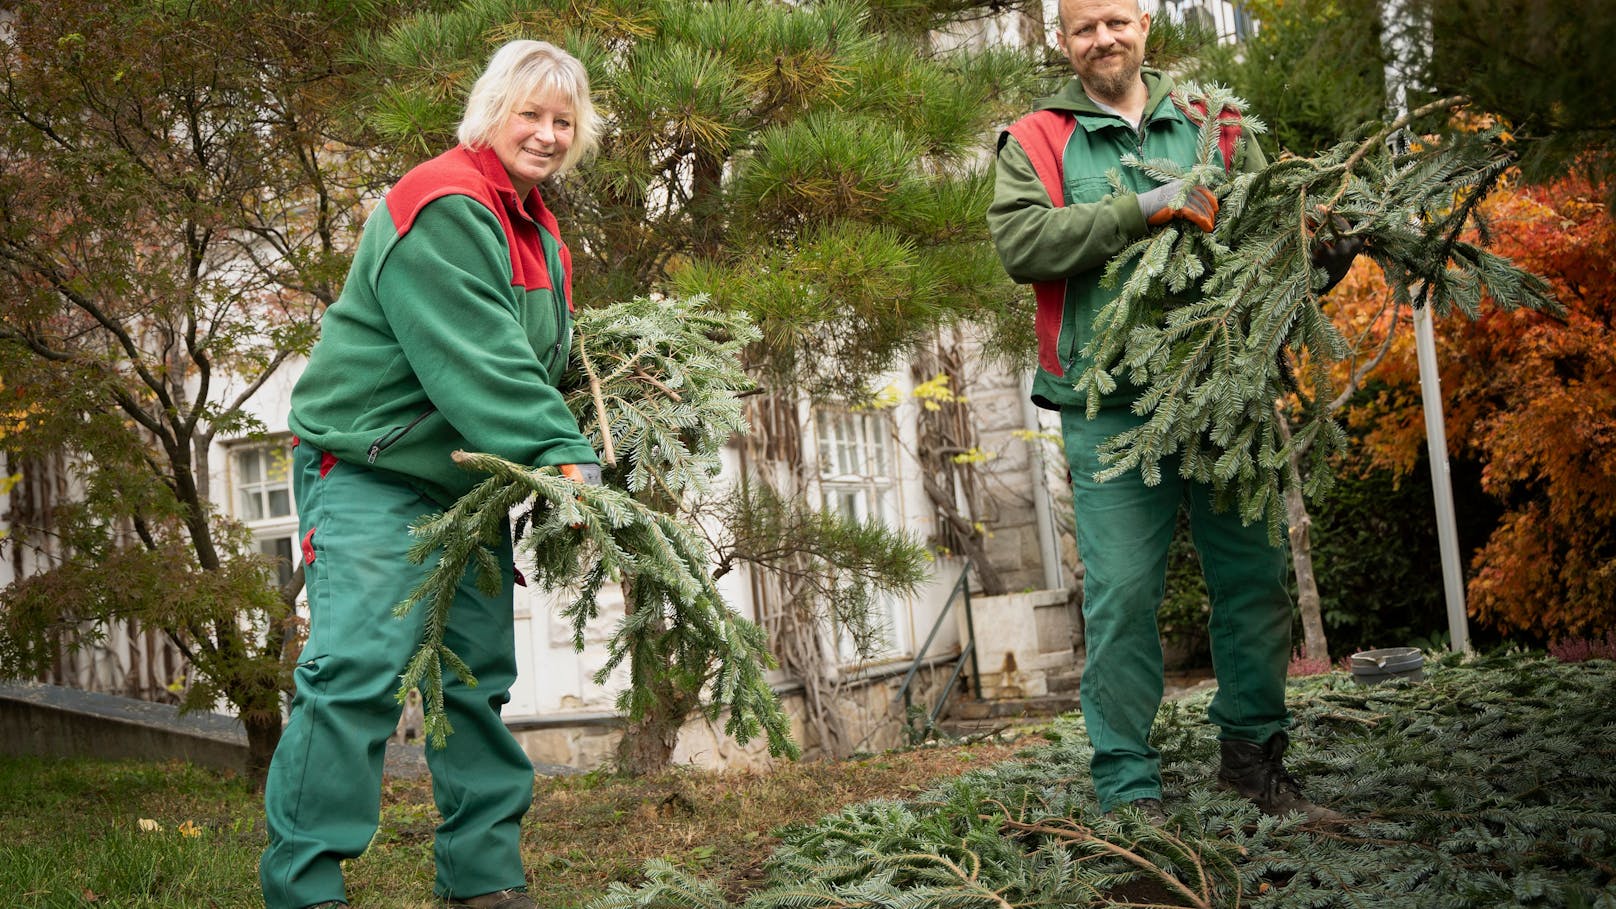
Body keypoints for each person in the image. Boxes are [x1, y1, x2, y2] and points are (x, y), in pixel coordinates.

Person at [987, 0, 1353, 823]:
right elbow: (1023, 245)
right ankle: (1129, 788)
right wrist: (1141, 209)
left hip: (1225, 393)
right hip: (1107, 406)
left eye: (1115, 21)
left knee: (1256, 581)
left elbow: (1267, 236)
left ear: (1145, 24)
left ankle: (1255, 763)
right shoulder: (1037, 140)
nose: (1103, 39)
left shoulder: (1217, 123)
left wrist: (1320, 257)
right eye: (1084, 28)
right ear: (1063, 41)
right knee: (1120, 596)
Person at [260, 40, 603, 909]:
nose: (548, 133)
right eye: (531, 113)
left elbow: (542, 357)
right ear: (492, 112)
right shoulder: (445, 201)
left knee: (474, 681)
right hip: (373, 469)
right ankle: (304, 888)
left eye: (564, 120)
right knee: (357, 670)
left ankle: (483, 879)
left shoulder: (533, 224)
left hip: (461, 482)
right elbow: (480, 360)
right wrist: (566, 455)